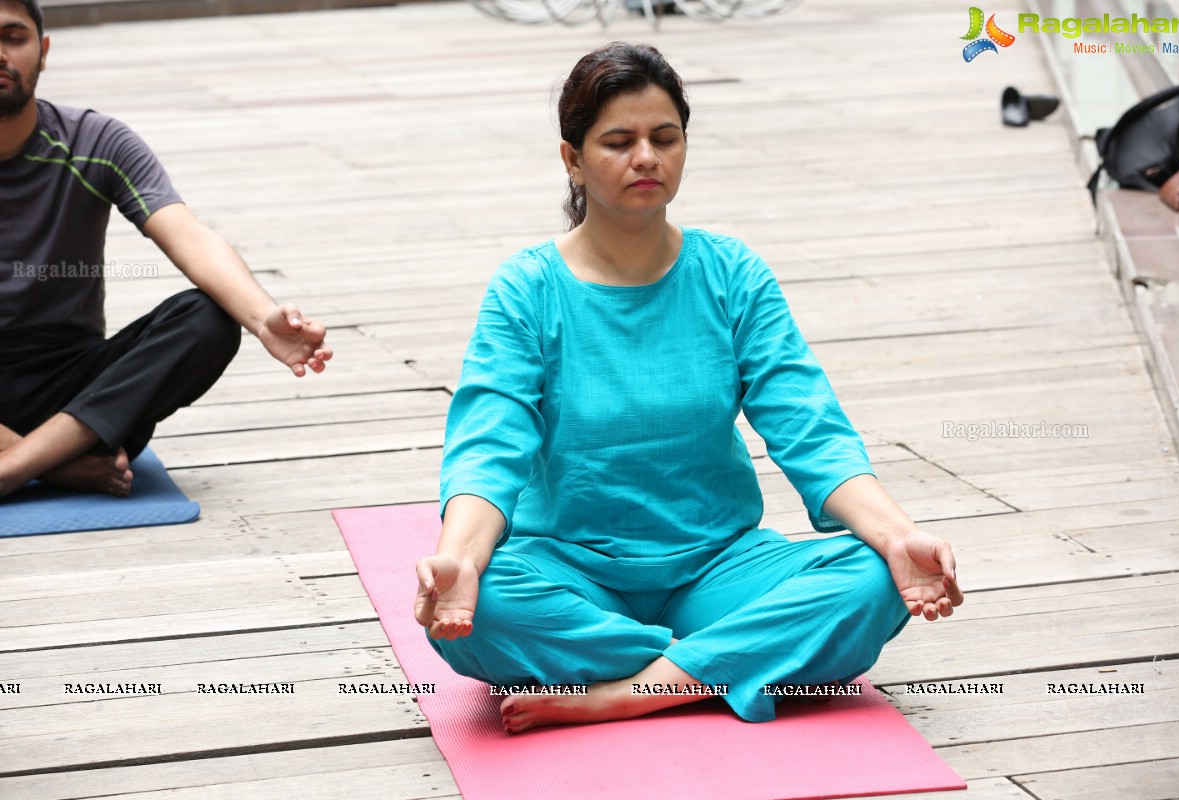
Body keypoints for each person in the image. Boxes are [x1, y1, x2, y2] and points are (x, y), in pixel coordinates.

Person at [414, 42, 963, 735]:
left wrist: (899, 535)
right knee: (472, 610)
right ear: (572, 159)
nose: (646, 157)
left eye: (664, 138)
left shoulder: (732, 273)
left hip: (719, 567)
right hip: (569, 572)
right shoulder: (526, 289)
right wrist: (460, 559)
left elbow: (809, 427)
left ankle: (627, 690)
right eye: (618, 141)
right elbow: (487, 441)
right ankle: (717, 668)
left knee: (875, 577)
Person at [0, 0, 332, 499]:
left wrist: (263, 320)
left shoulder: (95, 140)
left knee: (209, 315)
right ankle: (61, 464)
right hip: (83, 423)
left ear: (43, 52)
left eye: (13, 37)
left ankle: (17, 466)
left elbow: (186, 233)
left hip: (73, 387)